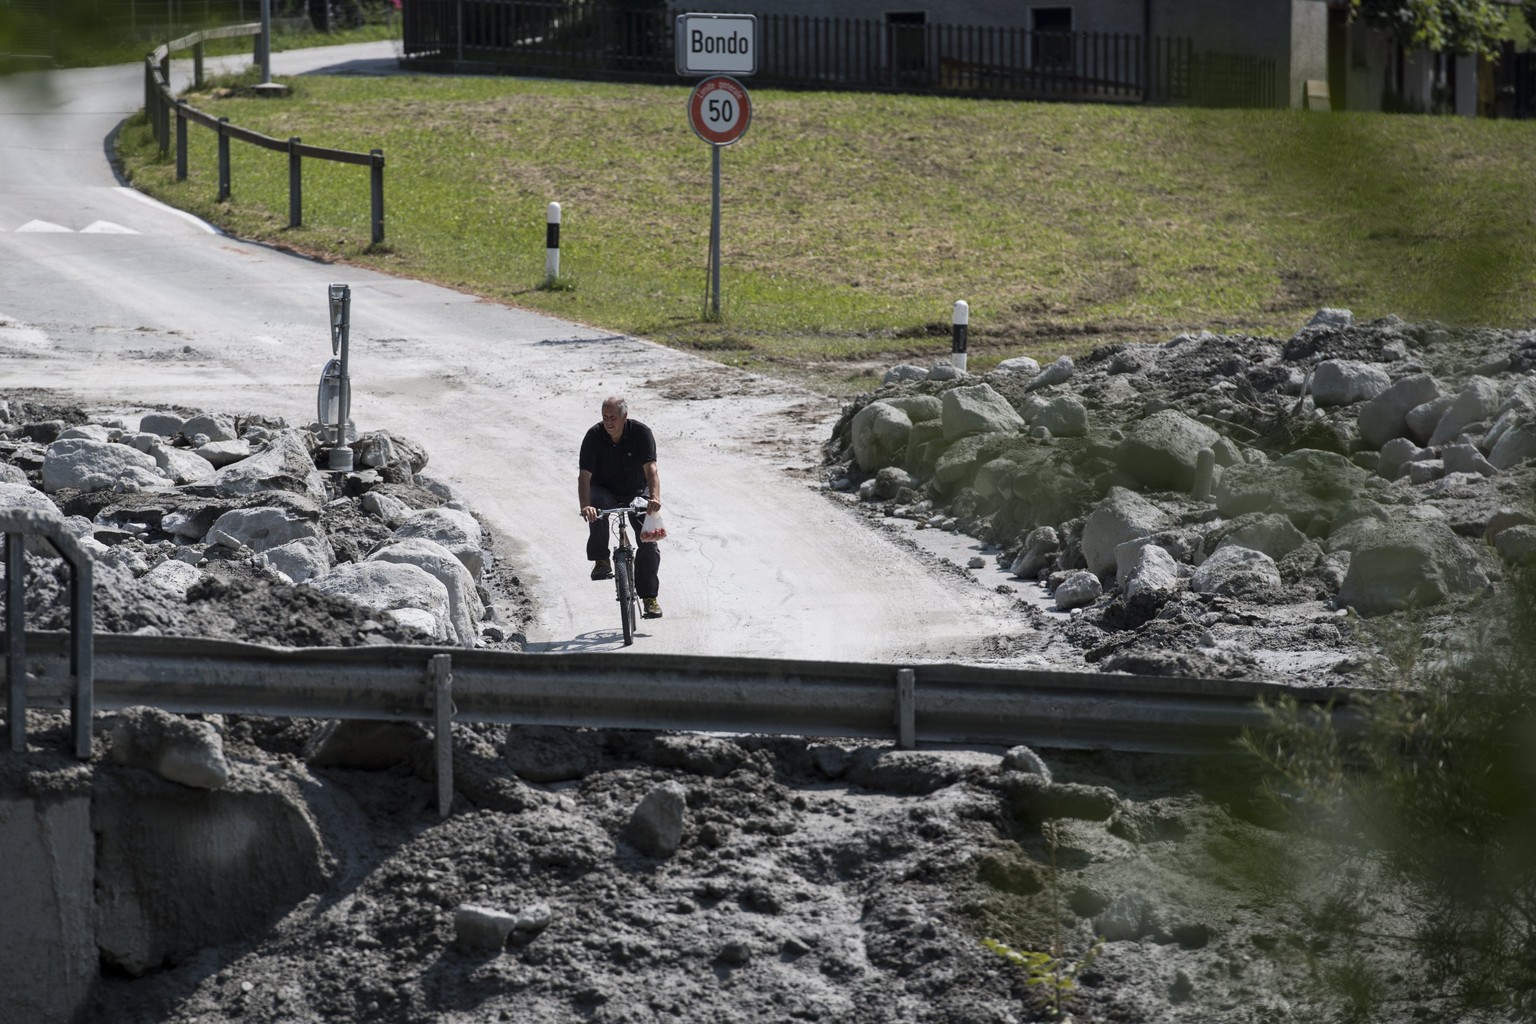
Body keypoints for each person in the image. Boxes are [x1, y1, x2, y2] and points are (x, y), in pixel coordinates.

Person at [578, 395, 663, 618]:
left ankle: (649, 598)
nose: (608, 422)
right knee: (596, 507)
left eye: (613, 417)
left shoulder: (641, 433)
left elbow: (651, 469)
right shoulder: (593, 436)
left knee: (649, 540)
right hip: (604, 492)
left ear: (625, 416)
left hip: (637, 491)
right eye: (605, 417)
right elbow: (584, 476)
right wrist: (585, 505)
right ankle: (601, 559)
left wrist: (654, 497)